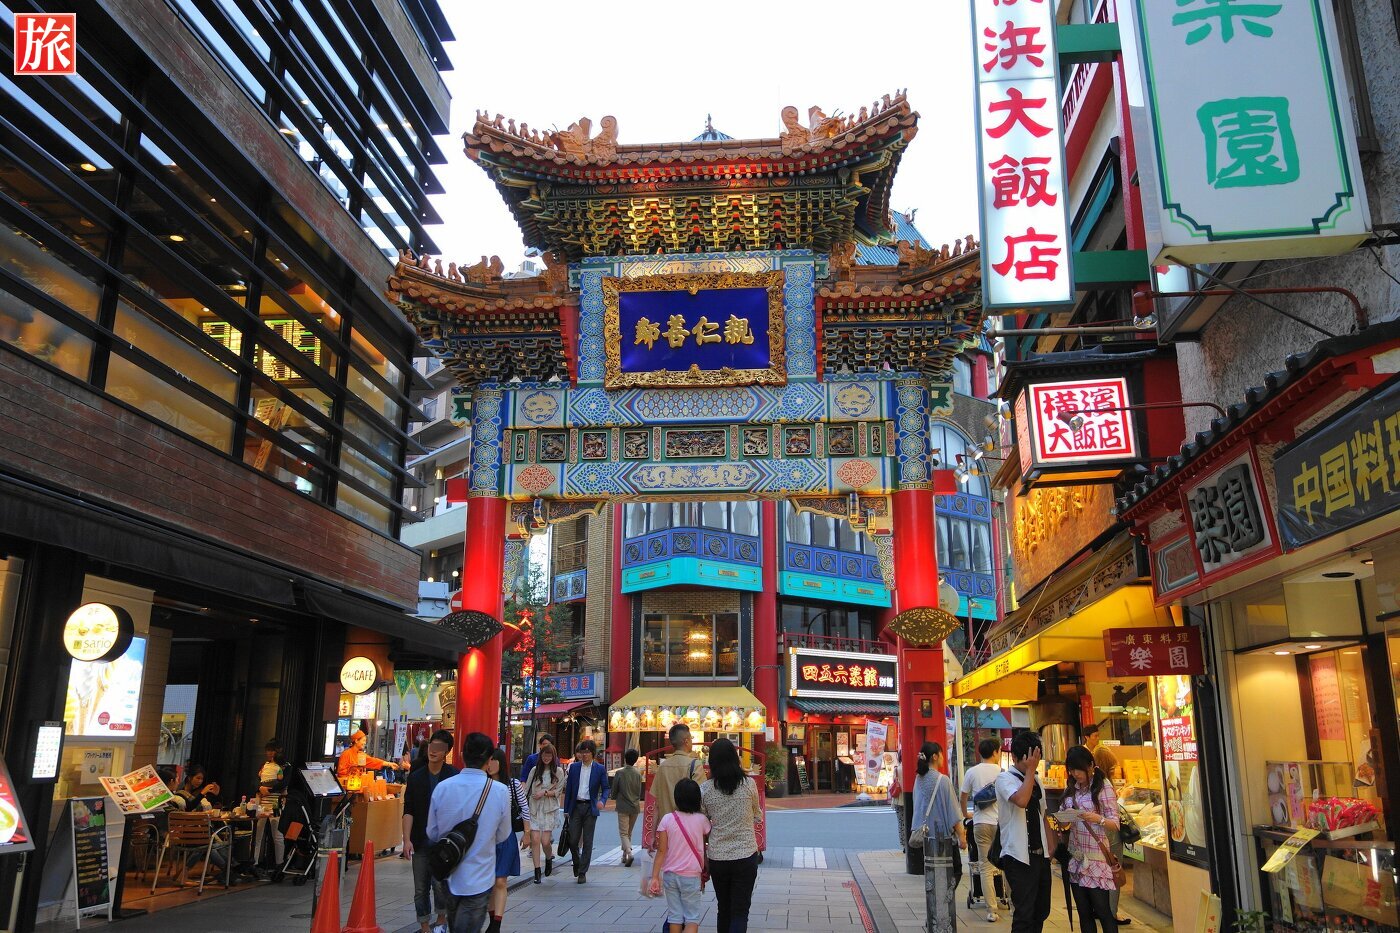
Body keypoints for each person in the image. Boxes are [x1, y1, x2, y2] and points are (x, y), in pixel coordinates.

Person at [427, 732, 511, 933]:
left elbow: (432, 832)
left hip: (447, 872)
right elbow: (503, 834)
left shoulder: (442, 788)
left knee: (455, 926)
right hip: (480, 875)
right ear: (489, 760)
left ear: (462, 755)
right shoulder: (500, 791)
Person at [700, 738, 763, 933]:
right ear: (735, 758)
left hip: (718, 857)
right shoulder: (749, 784)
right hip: (746, 854)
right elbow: (757, 815)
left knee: (724, 909)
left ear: (712, 762)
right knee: (740, 912)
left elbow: (702, 823)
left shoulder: (706, 789)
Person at [995, 731, 1055, 933]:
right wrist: (1030, 772)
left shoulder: (1037, 780)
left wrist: (1050, 848)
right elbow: (1021, 800)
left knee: (1041, 911)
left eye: (1035, 761)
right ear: (1014, 757)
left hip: (1041, 856)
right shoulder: (1004, 779)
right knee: (1024, 913)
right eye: (1027, 762)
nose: (1032, 766)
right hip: (1018, 857)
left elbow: (1043, 815)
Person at [1059, 745, 1120, 933]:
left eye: (1079, 769)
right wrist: (1065, 819)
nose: (1075, 774)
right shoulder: (1071, 789)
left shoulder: (1103, 786)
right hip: (1077, 857)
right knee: (1084, 913)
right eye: (1072, 770)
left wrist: (1097, 818)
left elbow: (1115, 823)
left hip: (1096, 858)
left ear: (1091, 765)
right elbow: (1062, 820)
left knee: (1102, 911)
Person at [403, 730, 457, 933]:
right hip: (420, 840)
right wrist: (406, 839)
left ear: (446, 752)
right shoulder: (416, 777)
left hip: (444, 843)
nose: (433, 751)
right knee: (420, 888)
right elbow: (408, 809)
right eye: (432, 746)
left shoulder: (453, 776)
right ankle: (425, 926)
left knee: (440, 884)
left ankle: (441, 920)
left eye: (439, 748)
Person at [649, 778, 710, 933]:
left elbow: (662, 851)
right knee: (692, 918)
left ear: (676, 798)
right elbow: (709, 838)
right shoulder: (702, 820)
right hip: (691, 875)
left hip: (670, 875)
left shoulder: (667, 819)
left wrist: (655, 876)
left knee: (675, 916)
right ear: (697, 799)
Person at [1083, 724, 1130, 924]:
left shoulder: (1091, 783)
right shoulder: (1105, 784)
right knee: (1114, 870)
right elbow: (1112, 813)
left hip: (1097, 836)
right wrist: (1123, 796)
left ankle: (1102, 910)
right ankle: (1111, 913)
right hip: (1110, 834)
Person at [960, 737, 1008, 922]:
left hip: (980, 824)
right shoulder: (1002, 773)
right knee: (1008, 864)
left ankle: (991, 910)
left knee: (985, 867)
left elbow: (963, 796)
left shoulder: (972, 772)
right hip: (1000, 824)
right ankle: (1013, 904)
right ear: (995, 752)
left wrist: (966, 814)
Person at [485, 748, 529, 933]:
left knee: (501, 881)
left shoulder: (513, 784)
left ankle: (496, 924)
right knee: (489, 883)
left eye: (494, 760)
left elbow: (524, 808)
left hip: (506, 835)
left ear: (501, 763)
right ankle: (491, 920)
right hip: (486, 838)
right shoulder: (483, 784)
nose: (490, 764)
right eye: (488, 760)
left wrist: (527, 832)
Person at [562, 738, 608, 883]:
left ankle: (582, 872)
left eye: (587, 752)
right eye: (582, 752)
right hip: (576, 806)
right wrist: (566, 809)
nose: (584, 755)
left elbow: (606, 788)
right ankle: (577, 861)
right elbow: (569, 789)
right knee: (573, 839)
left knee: (588, 841)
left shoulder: (599, 769)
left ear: (593, 753)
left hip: (590, 807)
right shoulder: (574, 768)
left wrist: (602, 801)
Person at [911, 741, 966, 860]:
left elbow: (917, 806)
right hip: (943, 838)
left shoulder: (918, 779)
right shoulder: (943, 780)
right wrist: (961, 836)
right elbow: (953, 811)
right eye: (941, 754)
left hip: (925, 837)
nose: (943, 757)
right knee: (951, 869)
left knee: (930, 868)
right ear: (935, 756)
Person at [651, 723, 701, 850]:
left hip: (667, 831)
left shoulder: (662, 767)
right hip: (689, 829)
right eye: (691, 738)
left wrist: (652, 835)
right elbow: (702, 797)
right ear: (686, 741)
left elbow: (657, 805)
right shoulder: (695, 765)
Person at [522, 741, 563, 881]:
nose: (546, 758)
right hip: (534, 808)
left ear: (553, 757)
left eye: (549, 756)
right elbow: (526, 789)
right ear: (541, 756)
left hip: (549, 809)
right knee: (535, 840)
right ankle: (537, 871)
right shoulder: (534, 770)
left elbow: (558, 792)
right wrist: (522, 805)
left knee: (545, 841)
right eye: (544, 755)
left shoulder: (558, 771)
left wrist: (544, 792)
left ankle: (548, 857)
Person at [252, 739, 289, 871]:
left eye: (272, 750)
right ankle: (254, 862)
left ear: (278, 751)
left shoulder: (285, 766)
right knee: (257, 833)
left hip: (276, 801)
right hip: (261, 801)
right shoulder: (264, 765)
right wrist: (260, 788)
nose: (269, 753)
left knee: (277, 833)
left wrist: (267, 789)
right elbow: (256, 781)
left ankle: (279, 864)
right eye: (267, 750)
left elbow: (284, 783)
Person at [612, 747, 644, 868]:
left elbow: (614, 790)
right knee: (628, 832)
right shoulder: (638, 774)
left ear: (625, 759)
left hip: (623, 806)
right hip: (634, 806)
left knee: (623, 833)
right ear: (635, 760)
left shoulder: (620, 773)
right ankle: (624, 855)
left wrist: (614, 796)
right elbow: (639, 792)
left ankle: (629, 853)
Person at [891, 751, 905, 850]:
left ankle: (903, 844)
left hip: (898, 799)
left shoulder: (896, 769)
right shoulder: (911, 768)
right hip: (908, 799)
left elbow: (894, 782)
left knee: (901, 823)